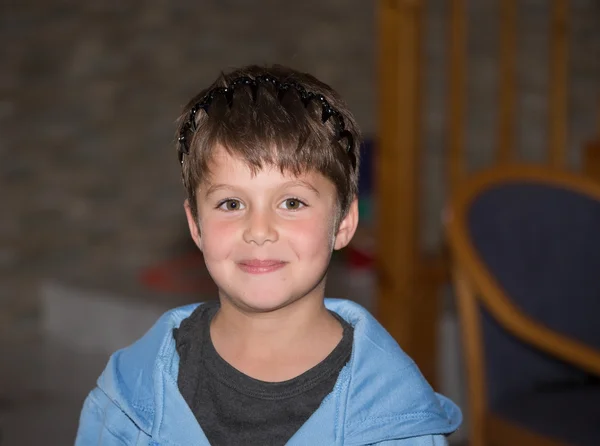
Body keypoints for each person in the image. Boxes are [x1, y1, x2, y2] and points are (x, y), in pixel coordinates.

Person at [75, 65, 461, 445]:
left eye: (291, 202)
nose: (259, 230)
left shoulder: (397, 421)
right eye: (230, 204)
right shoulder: (128, 397)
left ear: (343, 223)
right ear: (196, 226)